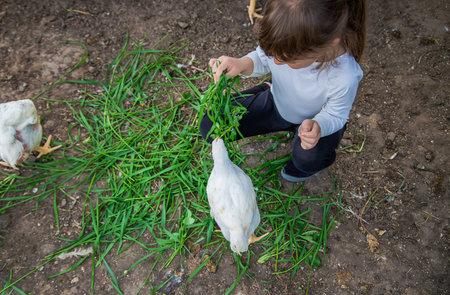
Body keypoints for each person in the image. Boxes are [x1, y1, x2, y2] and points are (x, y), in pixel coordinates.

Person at [200, 0, 366, 182]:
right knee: (211, 124)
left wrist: (319, 126)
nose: (276, 62)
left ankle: (308, 163)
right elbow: (263, 59)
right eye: (273, 54)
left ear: (327, 45)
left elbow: (336, 115)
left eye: (288, 60)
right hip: (277, 102)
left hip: (313, 121)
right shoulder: (284, 37)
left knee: (306, 159)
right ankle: (268, 88)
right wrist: (241, 64)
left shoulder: (345, 76)